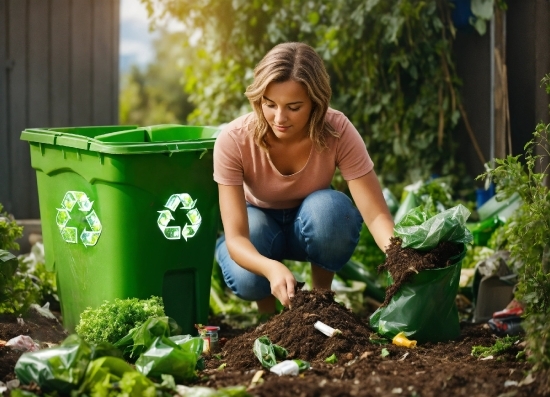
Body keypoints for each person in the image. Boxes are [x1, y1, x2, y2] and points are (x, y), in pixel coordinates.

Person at [213, 42, 394, 315]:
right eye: (269, 104)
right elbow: (237, 237)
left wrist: (402, 259)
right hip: (258, 229)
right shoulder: (234, 139)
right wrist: (271, 269)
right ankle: (268, 316)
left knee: (332, 211)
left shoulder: (337, 130)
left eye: (294, 107)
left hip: (310, 224)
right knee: (248, 272)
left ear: (315, 103)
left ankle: (322, 304)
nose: (279, 118)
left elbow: (377, 216)